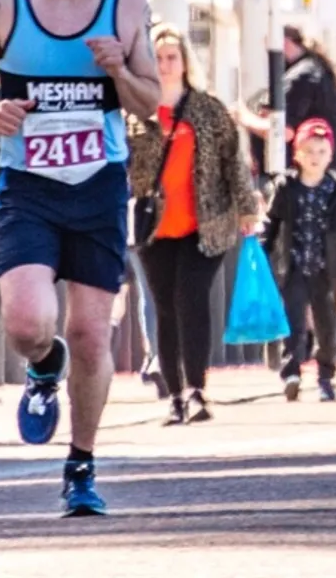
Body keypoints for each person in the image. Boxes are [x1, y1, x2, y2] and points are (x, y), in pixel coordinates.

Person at [0, 0, 162, 517]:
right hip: (28, 187)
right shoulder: (8, 4)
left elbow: (153, 103)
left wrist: (119, 69)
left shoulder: (126, 4)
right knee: (27, 323)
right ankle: (44, 365)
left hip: (97, 187)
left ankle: (81, 466)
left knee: (94, 333)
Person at [125, 23, 261, 425]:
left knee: (193, 299)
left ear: (185, 61)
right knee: (165, 307)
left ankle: (198, 388)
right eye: (159, 58)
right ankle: (175, 396)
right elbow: (125, 165)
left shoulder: (207, 109)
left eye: (172, 57)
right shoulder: (136, 111)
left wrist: (246, 207)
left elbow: (232, 162)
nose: (166, 65)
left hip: (206, 224)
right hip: (155, 227)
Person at [263, 118, 336, 404]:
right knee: (292, 320)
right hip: (293, 266)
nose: (315, 158)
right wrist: (263, 251)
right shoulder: (286, 187)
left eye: (321, 151)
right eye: (309, 151)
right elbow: (272, 222)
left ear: (330, 155)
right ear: (298, 155)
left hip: (324, 269)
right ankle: (291, 371)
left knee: (326, 325)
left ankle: (326, 376)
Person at [237, 25, 336, 178]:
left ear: (283, 43)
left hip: (305, 179)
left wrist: (244, 117)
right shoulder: (319, 71)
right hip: (328, 174)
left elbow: (282, 131)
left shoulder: (301, 77)